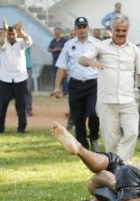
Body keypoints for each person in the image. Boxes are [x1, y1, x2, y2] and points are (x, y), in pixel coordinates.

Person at [79, 13, 140, 163]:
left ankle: (122, 164)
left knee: (132, 133)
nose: (120, 33)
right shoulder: (100, 46)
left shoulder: (134, 50)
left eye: (124, 30)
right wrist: (92, 62)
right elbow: (82, 59)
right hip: (106, 101)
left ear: (128, 30)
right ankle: (117, 167)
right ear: (112, 29)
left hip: (128, 100)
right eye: (117, 30)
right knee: (111, 141)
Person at [54, 17, 100, 151]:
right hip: (75, 85)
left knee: (94, 113)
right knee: (78, 117)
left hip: (93, 84)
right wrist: (57, 87)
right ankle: (82, 146)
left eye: (84, 26)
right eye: (79, 27)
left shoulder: (97, 44)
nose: (81, 29)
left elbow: (105, 64)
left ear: (88, 28)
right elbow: (62, 67)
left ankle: (94, 138)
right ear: (75, 29)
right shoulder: (68, 45)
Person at [0, 19, 33, 134]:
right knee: (2, 105)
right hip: (5, 79)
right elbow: (1, 43)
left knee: (21, 105)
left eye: (13, 34)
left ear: (16, 35)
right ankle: (1, 125)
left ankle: (22, 128)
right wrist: (5, 30)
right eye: (9, 34)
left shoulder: (21, 42)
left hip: (20, 79)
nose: (11, 36)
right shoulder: (1, 42)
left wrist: (21, 30)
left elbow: (29, 42)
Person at [48, 27, 68, 96]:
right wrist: (54, 50)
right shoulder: (53, 41)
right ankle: (55, 91)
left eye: (57, 32)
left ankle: (65, 93)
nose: (56, 33)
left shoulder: (64, 40)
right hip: (55, 61)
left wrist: (59, 49)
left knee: (64, 77)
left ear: (60, 33)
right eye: (55, 32)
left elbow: (66, 48)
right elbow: (49, 49)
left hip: (63, 61)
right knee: (54, 76)